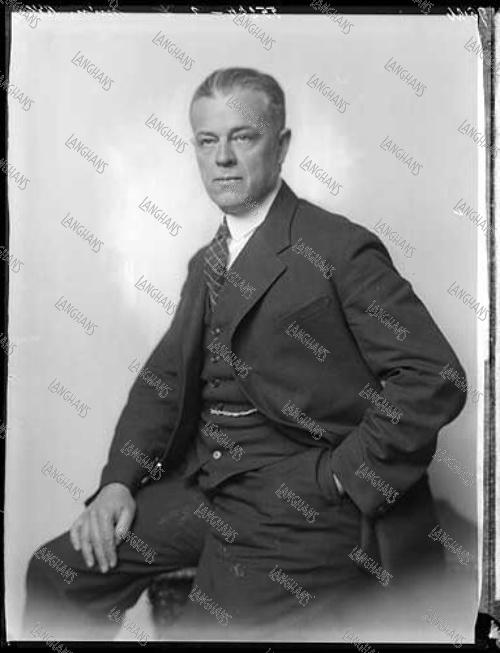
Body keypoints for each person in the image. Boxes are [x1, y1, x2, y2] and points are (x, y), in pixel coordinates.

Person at [24, 67, 467, 640]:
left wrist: (341, 477)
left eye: (243, 137)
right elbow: (162, 387)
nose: (223, 158)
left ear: (281, 146)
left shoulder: (338, 247)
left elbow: (433, 375)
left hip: (304, 506)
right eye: (207, 140)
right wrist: (118, 483)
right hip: (207, 489)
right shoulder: (205, 264)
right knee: (56, 575)